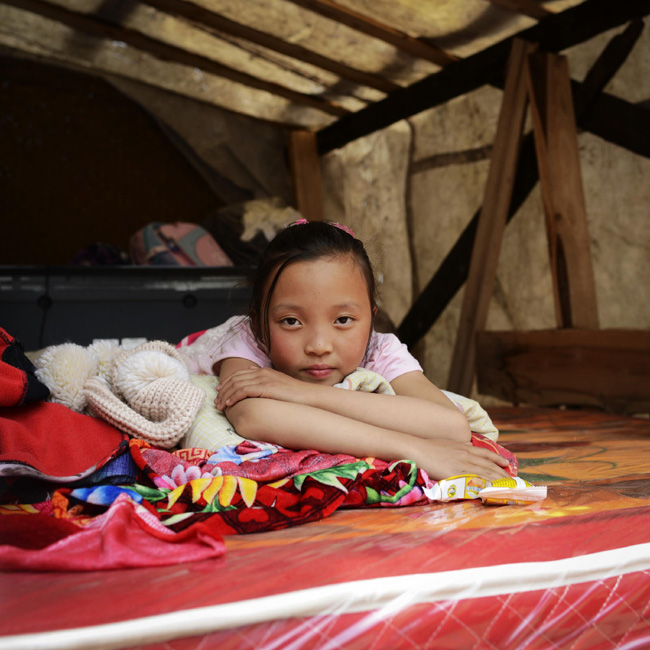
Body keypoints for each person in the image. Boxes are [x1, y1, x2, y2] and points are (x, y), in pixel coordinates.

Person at [211, 220, 510, 481]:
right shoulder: (249, 337)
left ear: (371, 318)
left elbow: (452, 426)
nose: (318, 346)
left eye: (343, 320)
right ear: (259, 319)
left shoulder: (378, 348)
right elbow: (252, 416)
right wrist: (414, 449)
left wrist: (299, 391)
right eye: (291, 321)